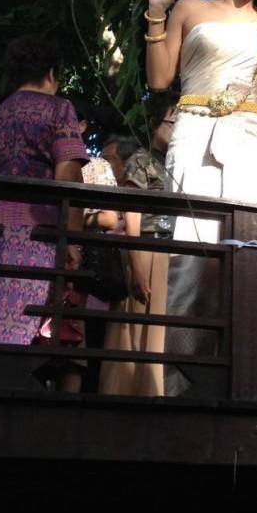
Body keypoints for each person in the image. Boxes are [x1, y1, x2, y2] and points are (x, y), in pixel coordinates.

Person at [145, 0, 257, 395]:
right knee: (193, 255)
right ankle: (179, 383)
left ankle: (248, 381)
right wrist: (156, 14)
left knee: (251, 254)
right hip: (195, 133)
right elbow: (159, 80)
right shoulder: (190, 9)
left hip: (254, 140)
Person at [0, 37, 87, 361]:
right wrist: (73, 240)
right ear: (51, 73)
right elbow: (68, 178)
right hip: (37, 237)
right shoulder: (59, 109)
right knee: (24, 329)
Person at [99, 92, 177, 396]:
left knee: (161, 327)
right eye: (172, 122)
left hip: (172, 248)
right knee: (136, 327)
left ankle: (157, 391)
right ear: (156, 123)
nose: (177, 129)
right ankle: (127, 393)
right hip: (148, 245)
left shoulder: (178, 162)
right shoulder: (141, 160)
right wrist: (137, 265)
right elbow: (132, 213)